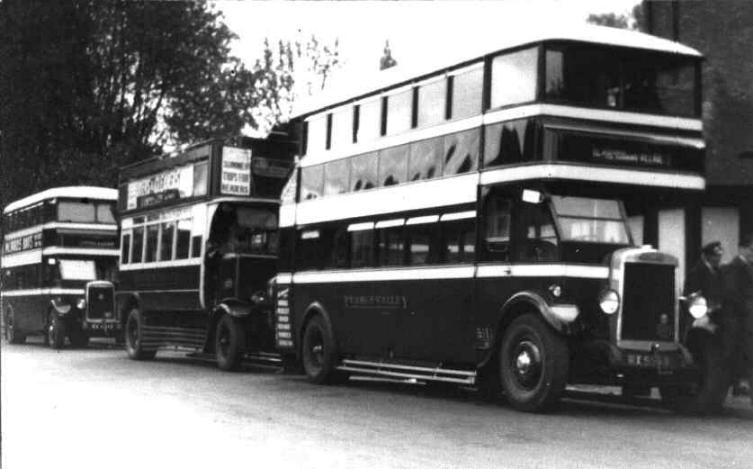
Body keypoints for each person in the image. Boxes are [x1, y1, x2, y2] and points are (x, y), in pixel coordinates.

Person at [682, 241, 727, 412]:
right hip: (702, 321)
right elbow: (691, 296)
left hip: (715, 319)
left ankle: (713, 397)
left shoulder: (717, 272)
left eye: (719, 256)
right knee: (707, 358)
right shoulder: (697, 272)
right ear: (707, 256)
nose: (718, 259)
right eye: (715, 256)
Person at [721, 233, 753, 406]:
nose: (752, 253)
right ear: (741, 248)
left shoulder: (748, 266)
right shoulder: (735, 267)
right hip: (741, 322)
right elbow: (732, 294)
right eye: (751, 249)